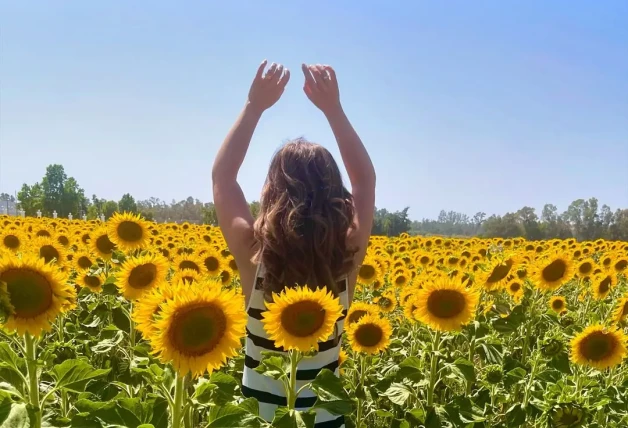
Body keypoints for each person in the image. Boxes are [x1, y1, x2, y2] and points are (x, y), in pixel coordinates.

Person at [212, 60, 375, 426]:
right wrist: (334, 110)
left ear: (272, 191)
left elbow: (223, 178)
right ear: (335, 193)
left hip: (261, 420)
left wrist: (254, 106)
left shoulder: (254, 253)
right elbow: (364, 181)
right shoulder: (346, 253)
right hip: (325, 420)